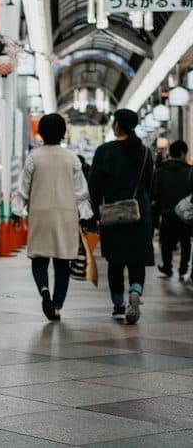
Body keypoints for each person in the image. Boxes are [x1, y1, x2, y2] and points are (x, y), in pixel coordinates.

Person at [13, 114, 93, 321]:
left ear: (41, 131)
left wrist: (16, 211)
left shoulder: (34, 157)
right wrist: (85, 216)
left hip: (40, 214)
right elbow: (81, 192)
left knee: (39, 259)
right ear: (63, 133)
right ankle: (57, 306)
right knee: (62, 263)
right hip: (66, 216)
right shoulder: (71, 158)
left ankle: (44, 291)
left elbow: (23, 189)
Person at [89, 109, 154, 324]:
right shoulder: (144, 152)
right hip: (139, 214)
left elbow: (94, 187)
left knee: (115, 262)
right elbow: (149, 185)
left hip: (113, 215)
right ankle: (135, 289)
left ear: (116, 125)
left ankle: (118, 305)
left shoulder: (104, 151)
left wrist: (94, 212)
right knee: (137, 260)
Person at [152, 140, 192, 280]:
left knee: (166, 242)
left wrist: (157, 212)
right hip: (185, 214)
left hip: (167, 212)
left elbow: (155, 193)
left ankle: (167, 267)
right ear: (182, 153)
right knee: (185, 241)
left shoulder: (161, 171)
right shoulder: (189, 171)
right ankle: (183, 268)